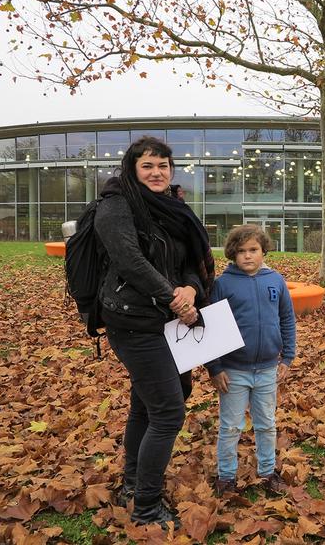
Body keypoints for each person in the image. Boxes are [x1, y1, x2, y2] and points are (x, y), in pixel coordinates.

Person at [94, 136, 214, 526]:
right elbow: (129, 262)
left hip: (168, 321)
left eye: (163, 165)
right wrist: (173, 297)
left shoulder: (173, 207)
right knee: (168, 412)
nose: (157, 172)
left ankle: (132, 481)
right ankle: (145, 507)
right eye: (147, 165)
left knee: (147, 405)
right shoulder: (117, 206)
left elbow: (189, 262)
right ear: (132, 170)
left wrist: (191, 288)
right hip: (133, 322)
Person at [205, 224, 296, 496]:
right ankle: (226, 477)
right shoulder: (222, 284)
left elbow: (287, 319)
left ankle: (268, 471)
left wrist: (288, 357)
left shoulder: (275, 281)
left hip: (268, 368)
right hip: (233, 371)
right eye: (241, 251)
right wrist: (215, 367)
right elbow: (211, 326)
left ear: (264, 250)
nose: (247, 256)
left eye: (253, 250)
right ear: (233, 253)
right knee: (231, 426)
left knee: (267, 423)